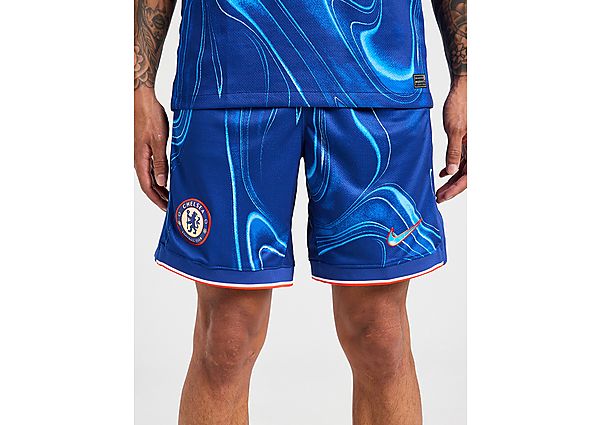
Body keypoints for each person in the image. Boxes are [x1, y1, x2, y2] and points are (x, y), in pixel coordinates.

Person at [134, 0, 466, 423]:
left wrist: (467, 76)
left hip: (380, 72)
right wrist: (138, 87)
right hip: (227, 67)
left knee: (381, 335)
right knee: (227, 338)